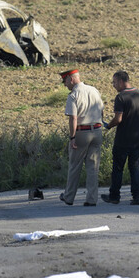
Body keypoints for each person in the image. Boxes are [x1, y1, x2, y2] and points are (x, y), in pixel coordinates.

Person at [101, 71, 139, 205]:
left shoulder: (121, 97)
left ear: (122, 81)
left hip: (123, 139)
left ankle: (114, 196)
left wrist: (108, 126)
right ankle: (137, 196)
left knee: (118, 168)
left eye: (115, 82)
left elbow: (118, 118)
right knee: (134, 167)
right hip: (137, 138)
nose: (113, 85)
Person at [59, 69, 104, 206]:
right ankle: (91, 199)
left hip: (81, 132)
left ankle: (69, 197)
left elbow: (73, 118)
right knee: (93, 167)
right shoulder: (94, 90)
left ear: (71, 79)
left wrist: (72, 137)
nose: (65, 85)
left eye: (65, 81)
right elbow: (101, 110)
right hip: (97, 130)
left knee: (74, 166)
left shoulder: (73, 95)